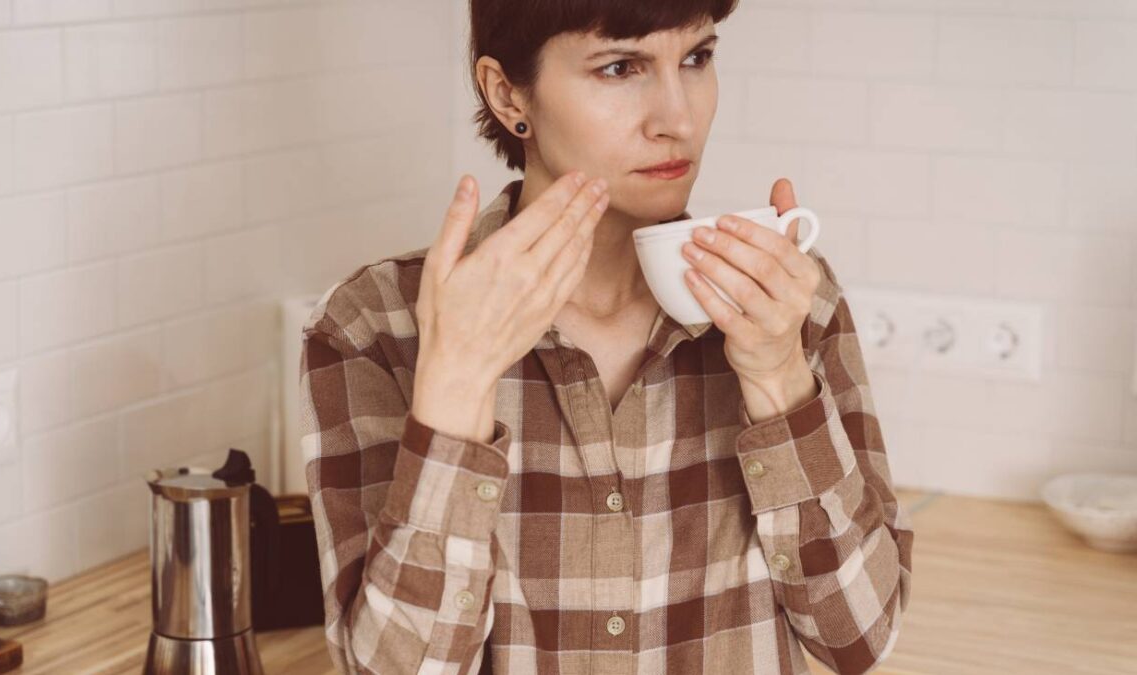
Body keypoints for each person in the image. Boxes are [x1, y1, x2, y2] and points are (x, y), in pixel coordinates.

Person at [299, 1, 914, 673]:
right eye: (620, 67)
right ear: (507, 94)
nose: (678, 120)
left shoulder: (786, 299)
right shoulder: (375, 326)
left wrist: (777, 377)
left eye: (697, 58)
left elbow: (859, 637)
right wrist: (457, 387)